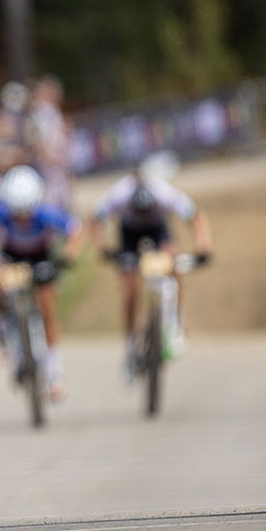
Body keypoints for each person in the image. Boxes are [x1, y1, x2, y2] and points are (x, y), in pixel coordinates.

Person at [0, 165, 83, 401]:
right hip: (12, 256)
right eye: (16, 213)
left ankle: (54, 374)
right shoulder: (1, 211)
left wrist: (68, 257)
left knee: (47, 307)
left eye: (27, 213)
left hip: (41, 258)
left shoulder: (46, 213)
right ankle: (3, 335)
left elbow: (75, 230)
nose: (22, 218)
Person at [89, 157, 212, 379]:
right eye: (140, 213)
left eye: (146, 212)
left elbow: (195, 216)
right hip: (129, 234)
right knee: (130, 290)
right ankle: (129, 349)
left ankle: (175, 328)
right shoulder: (119, 195)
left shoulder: (163, 193)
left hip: (158, 229)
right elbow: (94, 220)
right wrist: (104, 249)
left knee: (171, 263)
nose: (143, 217)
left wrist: (203, 247)